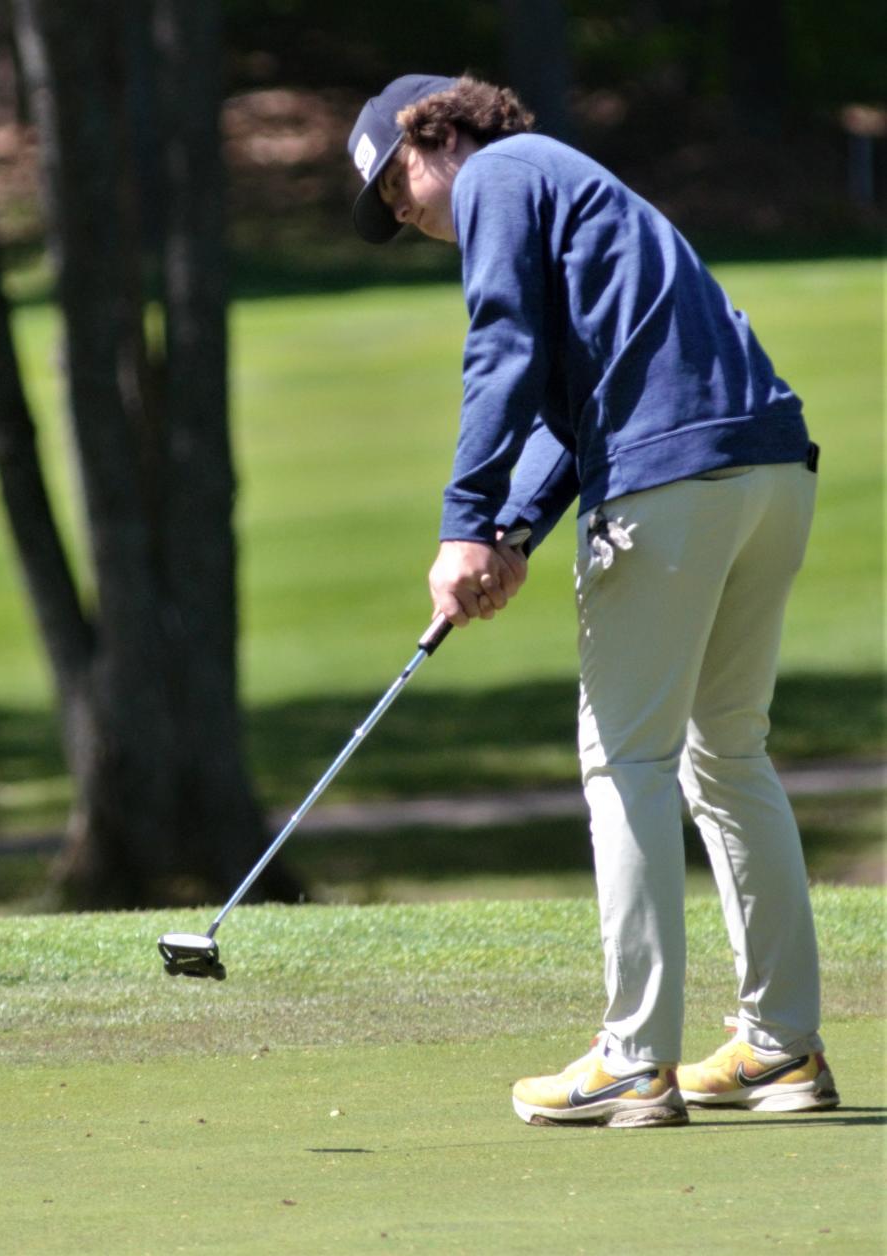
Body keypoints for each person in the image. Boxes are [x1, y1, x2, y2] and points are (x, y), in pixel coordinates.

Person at [346, 73, 839, 1127]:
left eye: (395, 183)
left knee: (628, 760)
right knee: (727, 753)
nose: (404, 211)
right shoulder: (572, 185)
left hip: (676, 485)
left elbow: (504, 352)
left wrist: (464, 520)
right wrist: (516, 529)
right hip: (767, 472)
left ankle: (632, 1057)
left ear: (436, 136)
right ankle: (780, 1047)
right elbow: (588, 400)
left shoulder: (500, 176)